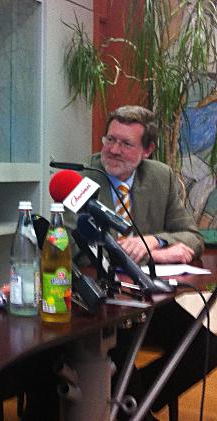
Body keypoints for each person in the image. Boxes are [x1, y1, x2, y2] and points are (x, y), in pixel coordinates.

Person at [74, 105, 213, 419]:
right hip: (104, 303)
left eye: (126, 144)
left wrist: (155, 242)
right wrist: (129, 251)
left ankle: (138, 404)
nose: (114, 150)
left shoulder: (160, 176)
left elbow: (192, 236)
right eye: (110, 140)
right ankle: (133, 409)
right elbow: (76, 249)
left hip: (150, 298)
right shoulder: (83, 177)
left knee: (206, 347)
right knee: (120, 350)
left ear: (147, 150)